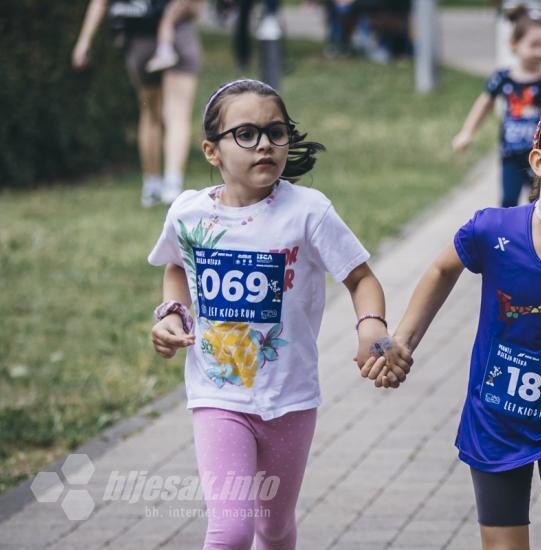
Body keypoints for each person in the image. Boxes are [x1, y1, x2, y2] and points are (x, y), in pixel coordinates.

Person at [366, 96, 541, 550]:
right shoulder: (492, 231)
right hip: (496, 419)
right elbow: (441, 269)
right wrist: (404, 341)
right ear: (540, 161)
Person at [148, 79, 411, 548]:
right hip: (217, 395)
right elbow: (176, 263)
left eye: (276, 131)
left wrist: (370, 325)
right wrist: (171, 314)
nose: (265, 143)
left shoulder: (307, 211)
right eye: (246, 134)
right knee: (230, 531)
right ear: (212, 151)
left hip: (290, 397)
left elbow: (360, 278)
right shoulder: (188, 213)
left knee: (274, 526)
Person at [72, 0, 202, 207]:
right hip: (178, 34)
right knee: (177, 114)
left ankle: (151, 186)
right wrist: (170, 19)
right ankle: (172, 185)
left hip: (139, 39)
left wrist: (84, 41)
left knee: (150, 114)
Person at [453, 8, 541, 208]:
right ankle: (509, 238)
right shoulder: (503, 77)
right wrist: (467, 133)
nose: (540, 52)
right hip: (511, 154)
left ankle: (540, 237)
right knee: (508, 201)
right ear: (514, 45)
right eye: (534, 45)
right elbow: (484, 103)